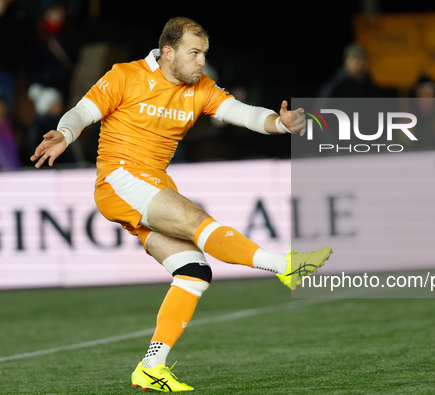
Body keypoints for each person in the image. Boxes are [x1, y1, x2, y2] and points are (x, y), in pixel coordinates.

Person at [31, 17, 332, 392]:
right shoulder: (126, 75)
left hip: (151, 185)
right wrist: (63, 131)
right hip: (120, 179)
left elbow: (244, 113)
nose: (201, 62)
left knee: (194, 270)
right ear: (169, 52)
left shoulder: (200, 88)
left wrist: (281, 123)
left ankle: (150, 366)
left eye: (204, 54)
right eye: (194, 53)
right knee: (195, 219)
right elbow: (83, 111)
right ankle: (284, 264)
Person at [318, 43, 385, 98]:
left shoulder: (372, 87)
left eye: (362, 58)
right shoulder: (335, 87)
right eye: (354, 58)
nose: (359, 62)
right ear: (346, 61)